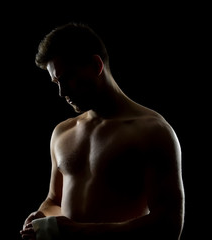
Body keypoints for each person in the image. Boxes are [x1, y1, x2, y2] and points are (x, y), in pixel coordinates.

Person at [20, 22, 185, 240]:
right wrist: (42, 215)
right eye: (56, 81)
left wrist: (81, 232)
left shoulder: (152, 131)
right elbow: (55, 201)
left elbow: (169, 225)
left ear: (96, 65)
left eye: (68, 77)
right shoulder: (62, 133)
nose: (62, 92)